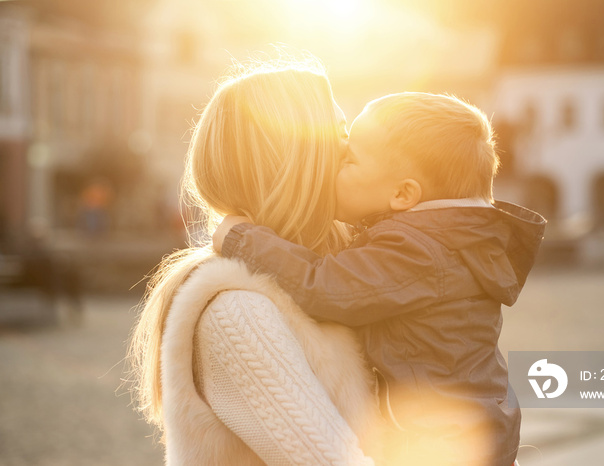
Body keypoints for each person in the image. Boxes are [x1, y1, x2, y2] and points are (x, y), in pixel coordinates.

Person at [213, 92, 547, 465]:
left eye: (349, 159)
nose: (335, 162)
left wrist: (241, 238)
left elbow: (325, 287)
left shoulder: (417, 250)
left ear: (403, 194)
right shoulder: (451, 241)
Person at [128, 59, 379, 466]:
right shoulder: (236, 313)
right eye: (341, 135)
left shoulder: (332, 282)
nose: (355, 151)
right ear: (297, 160)